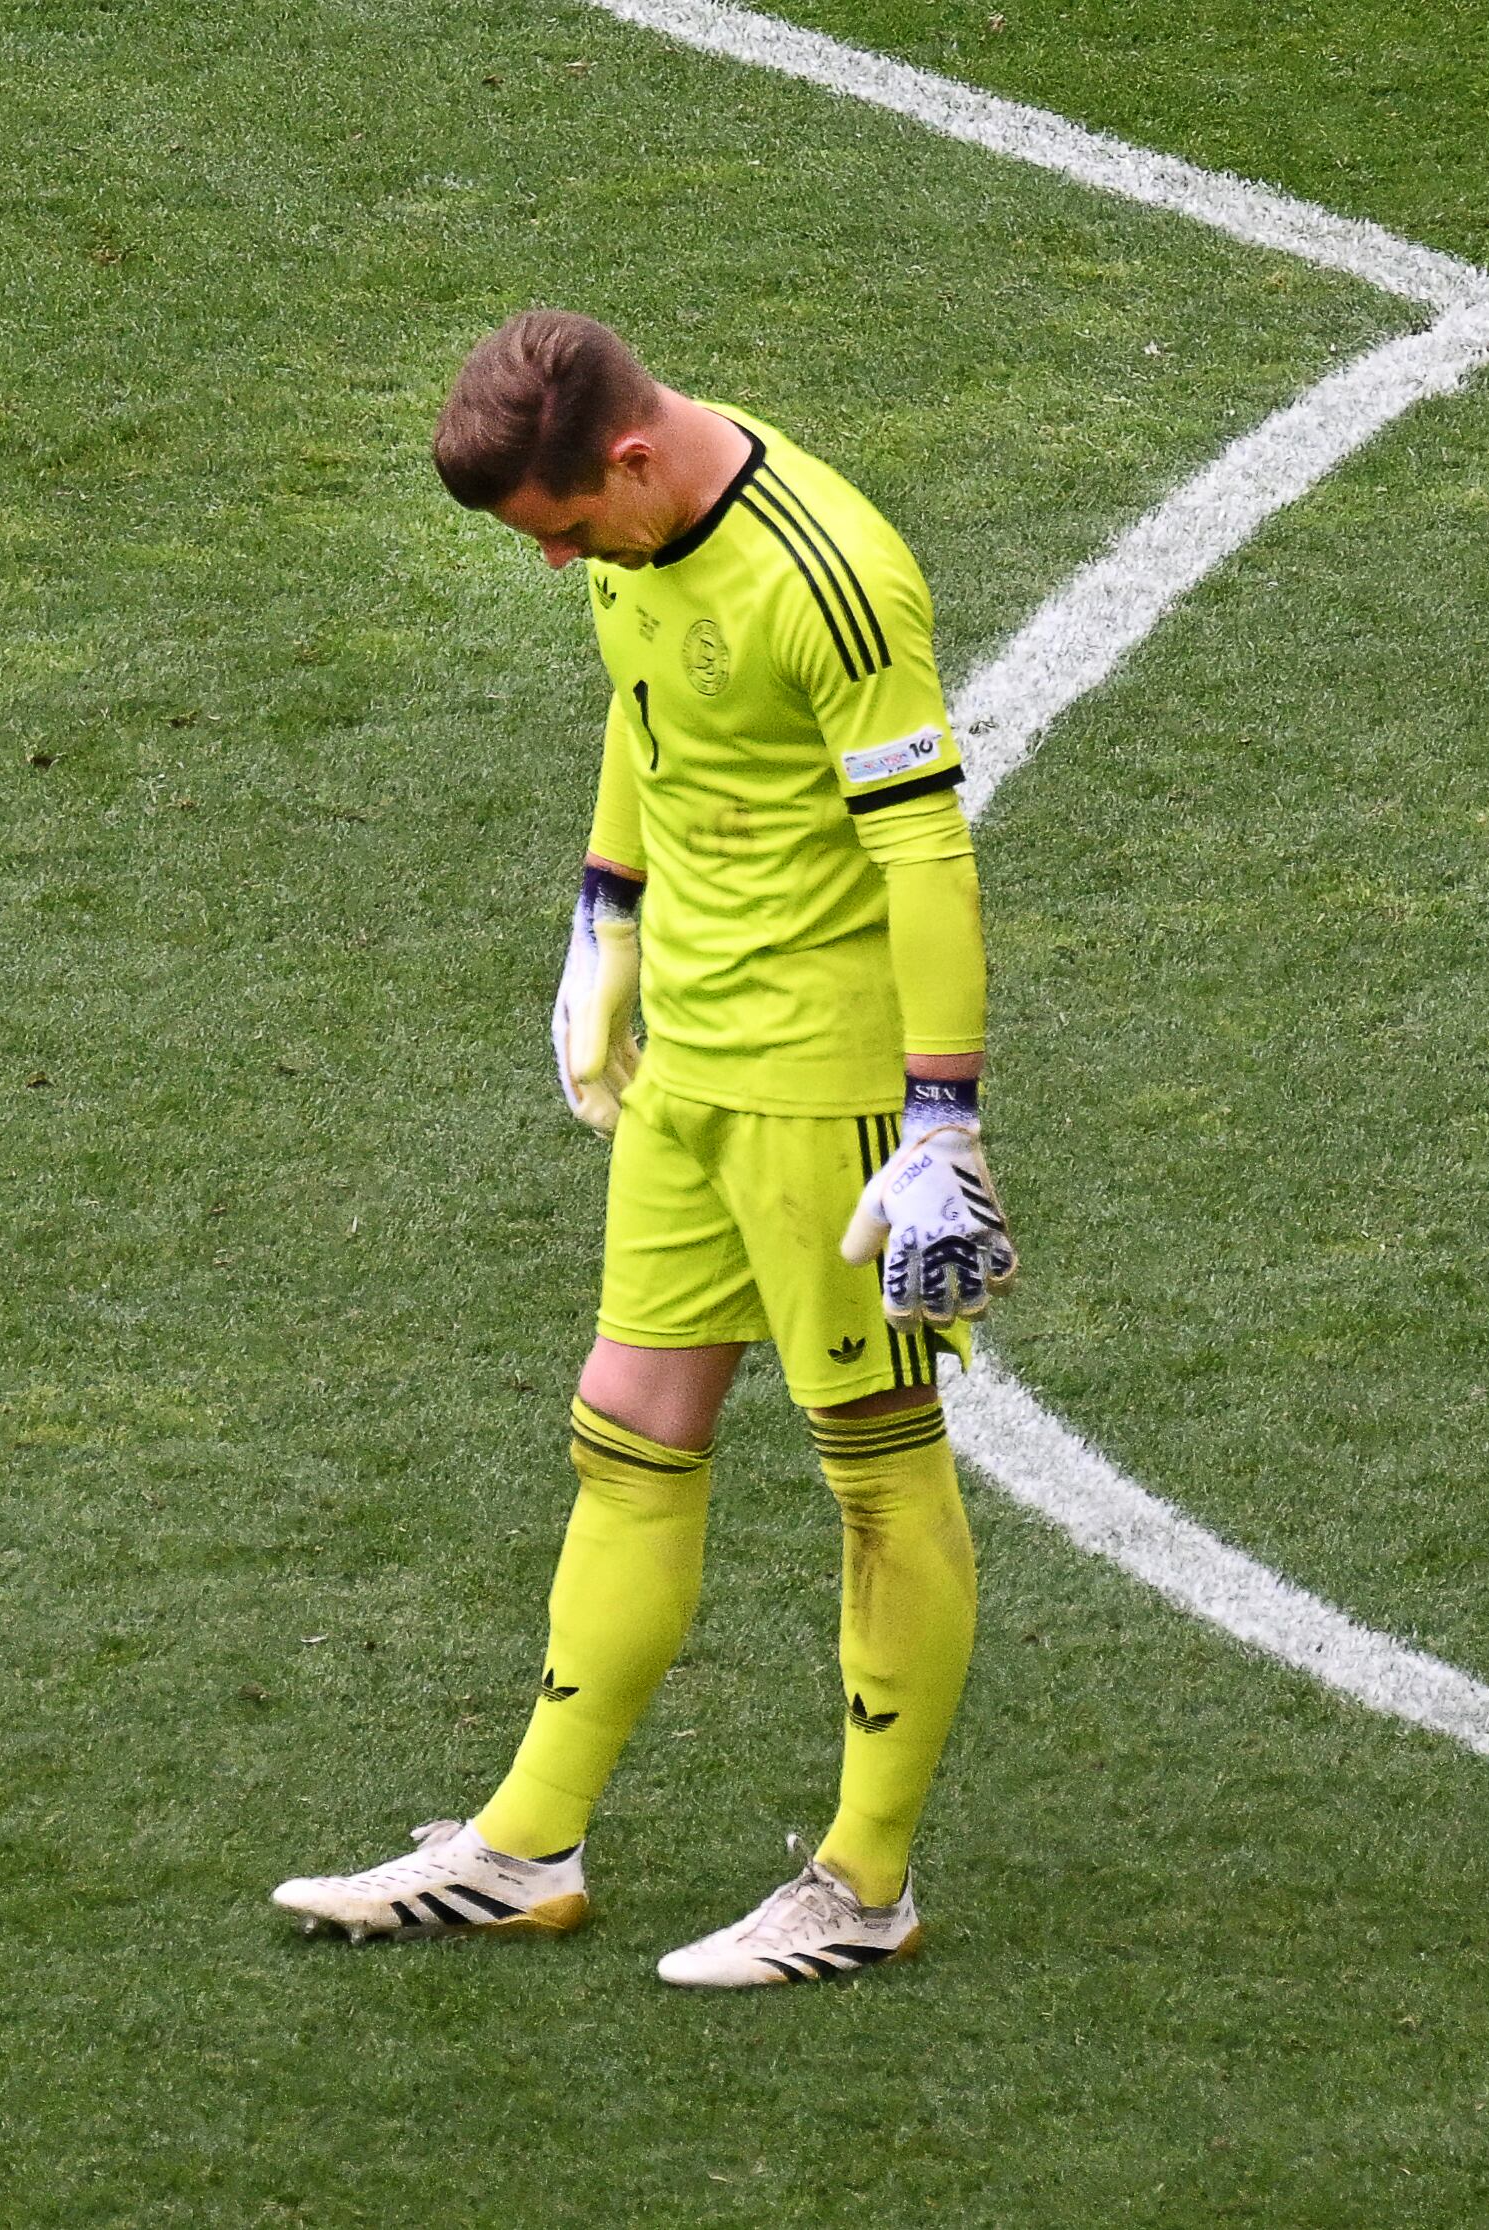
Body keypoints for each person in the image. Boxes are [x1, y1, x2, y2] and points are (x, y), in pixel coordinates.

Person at [270, 309, 1015, 1988]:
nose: (557, 565)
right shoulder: (639, 526)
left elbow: (929, 858)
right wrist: (607, 912)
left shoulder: (832, 578)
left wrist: (942, 1116)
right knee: (625, 1429)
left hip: (825, 1086)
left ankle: (865, 1884)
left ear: (624, 455)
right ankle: (524, 1846)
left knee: (878, 1465)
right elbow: (644, 701)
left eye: (560, 532)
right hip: (690, 1062)